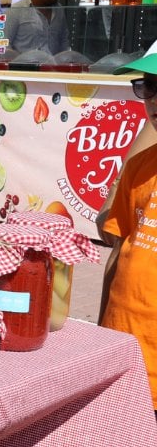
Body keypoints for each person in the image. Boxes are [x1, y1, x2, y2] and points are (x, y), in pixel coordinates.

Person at [97, 41, 157, 415]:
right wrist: (104, 337)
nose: (154, 100)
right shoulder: (140, 167)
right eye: (149, 85)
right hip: (126, 344)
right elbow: (119, 252)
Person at [4, 0, 69, 57]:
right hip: (25, 68)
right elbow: (5, 44)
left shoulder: (59, 10)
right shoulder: (17, 10)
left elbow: (64, 42)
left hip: (53, 68)